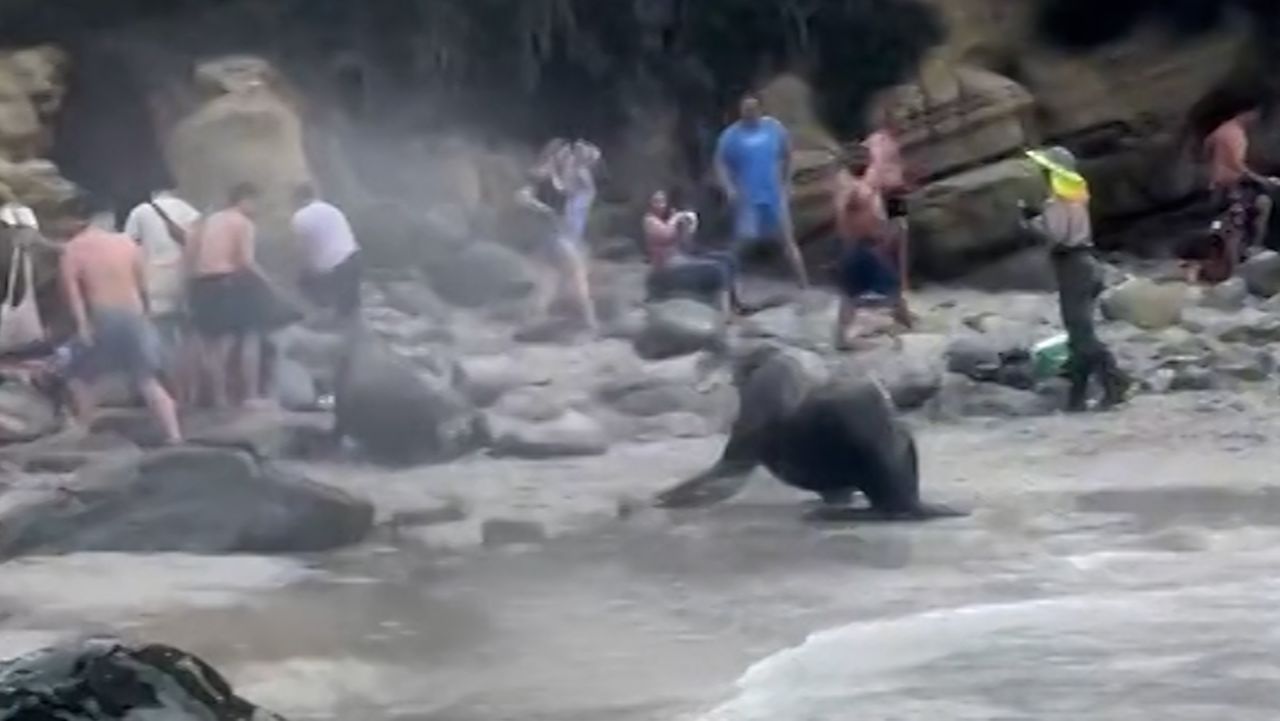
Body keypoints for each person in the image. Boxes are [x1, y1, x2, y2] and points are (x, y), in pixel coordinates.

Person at [59, 195, 182, 443]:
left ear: (75, 220)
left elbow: (73, 296)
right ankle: (174, 435)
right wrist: (146, 316)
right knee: (147, 379)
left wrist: (83, 327)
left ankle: (82, 430)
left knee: (80, 376)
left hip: (104, 316)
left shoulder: (74, 248)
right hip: (135, 315)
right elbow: (143, 286)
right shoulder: (126, 243)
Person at [1021, 146, 1129, 412]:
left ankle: (1115, 380)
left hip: (1072, 267)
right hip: (1086, 262)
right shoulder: (1077, 198)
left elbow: (1055, 237)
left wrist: (1029, 222)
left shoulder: (1056, 203)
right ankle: (1078, 397)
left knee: (1081, 335)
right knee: (1079, 333)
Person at [185, 182, 266, 409]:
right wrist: (269, 284)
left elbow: (191, 252)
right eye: (255, 202)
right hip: (226, 282)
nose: (257, 208)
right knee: (248, 336)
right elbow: (246, 262)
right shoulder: (242, 222)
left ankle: (219, 399)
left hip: (200, 283)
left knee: (211, 345)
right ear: (245, 200)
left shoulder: (210, 220)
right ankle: (250, 396)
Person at [715, 93, 809, 288]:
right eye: (745, 109)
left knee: (788, 241)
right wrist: (729, 188)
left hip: (774, 193)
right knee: (743, 242)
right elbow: (720, 163)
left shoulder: (774, 129)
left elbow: (788, 154)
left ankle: (804, 285)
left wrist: (787, 182)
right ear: (740, 111)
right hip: (747, 197)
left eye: (752, 108)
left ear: (759, 109)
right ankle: (727, 284)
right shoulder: (731, 135)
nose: (748, 112)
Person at [123, 189, 201, 403]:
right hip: (182, 277)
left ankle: (165, 391)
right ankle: (190, 393)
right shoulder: (187, 210)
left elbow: (131, 246)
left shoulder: (140, 211)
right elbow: (196, 241)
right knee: (186, 337)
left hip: (153, 278)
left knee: (158, 336)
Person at [831, 147, 912, 351]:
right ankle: (905, 322)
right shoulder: (851, 189)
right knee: (861, 289)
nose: (864, 162)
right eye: (858, 158)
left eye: (865, 158)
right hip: (861, 244)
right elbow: (843, 212)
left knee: (856, 291)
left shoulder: (863, 185)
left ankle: (905, 322)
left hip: (870, 244)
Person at [516, 138, 600, 333]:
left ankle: (529, 322)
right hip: (553, 234)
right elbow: (521, 196)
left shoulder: (562, 178)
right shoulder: (542, 175)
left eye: (569, 153)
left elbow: (592, 160)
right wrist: (542, 209)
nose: (568, 156)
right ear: (554, 153)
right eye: (565, 152)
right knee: (578, 273)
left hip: (558, 235)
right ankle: (590, 322)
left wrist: (584, 154)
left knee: (548, 282)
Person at [1187, 107, 1279, 282]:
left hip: (1217, 185)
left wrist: (1215, 169)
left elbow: (1205, 152)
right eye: (1254, 114)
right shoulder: (1234, 133)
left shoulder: (1219, 132)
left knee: (1223, 227)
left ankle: (1218, 268)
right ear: (1243, 113)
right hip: (1232, 186)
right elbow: (1237, 166)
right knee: (1235, 228)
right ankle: (1232, 271)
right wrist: (1264, 180)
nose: (1256, 119)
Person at [643, 189, 747, 313]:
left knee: (728, 259)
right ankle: (723, 311)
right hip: (667, 265)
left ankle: (735, 303)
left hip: (682, 257)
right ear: (649, 203)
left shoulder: (669, 217)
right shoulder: (649, 221)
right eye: (657, 201)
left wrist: (688, 226)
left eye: (663, 201)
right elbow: (666, 234)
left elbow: (685, 243)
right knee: (717, 269)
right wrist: (676, 218)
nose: (661, 205)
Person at [291, 183, 363, 320]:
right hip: (354, 258)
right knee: (351, 310)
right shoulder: (332, 209)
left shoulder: (300, 217)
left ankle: (320, 316)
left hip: (336, 268)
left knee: (306, 285)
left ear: (298, 199)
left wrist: (308, 269)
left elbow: (304, 251)